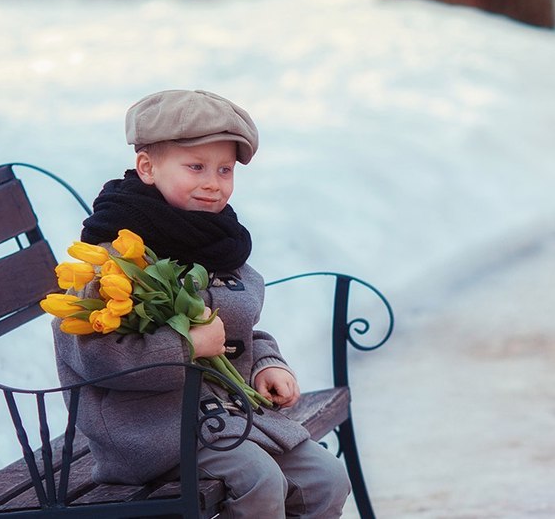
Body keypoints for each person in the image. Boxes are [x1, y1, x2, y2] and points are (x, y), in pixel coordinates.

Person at [51, 89, 351, 518]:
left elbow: (235, 332)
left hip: (230, 418)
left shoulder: (214, 240)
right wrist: (186, 346)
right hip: (154, 431)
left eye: (225, 169)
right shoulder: (116, 258)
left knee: (326, 478)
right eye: (196, 167)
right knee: (259, 482)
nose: (213, 182)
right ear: (147, 167)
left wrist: (267, 362)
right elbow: (94, 358)